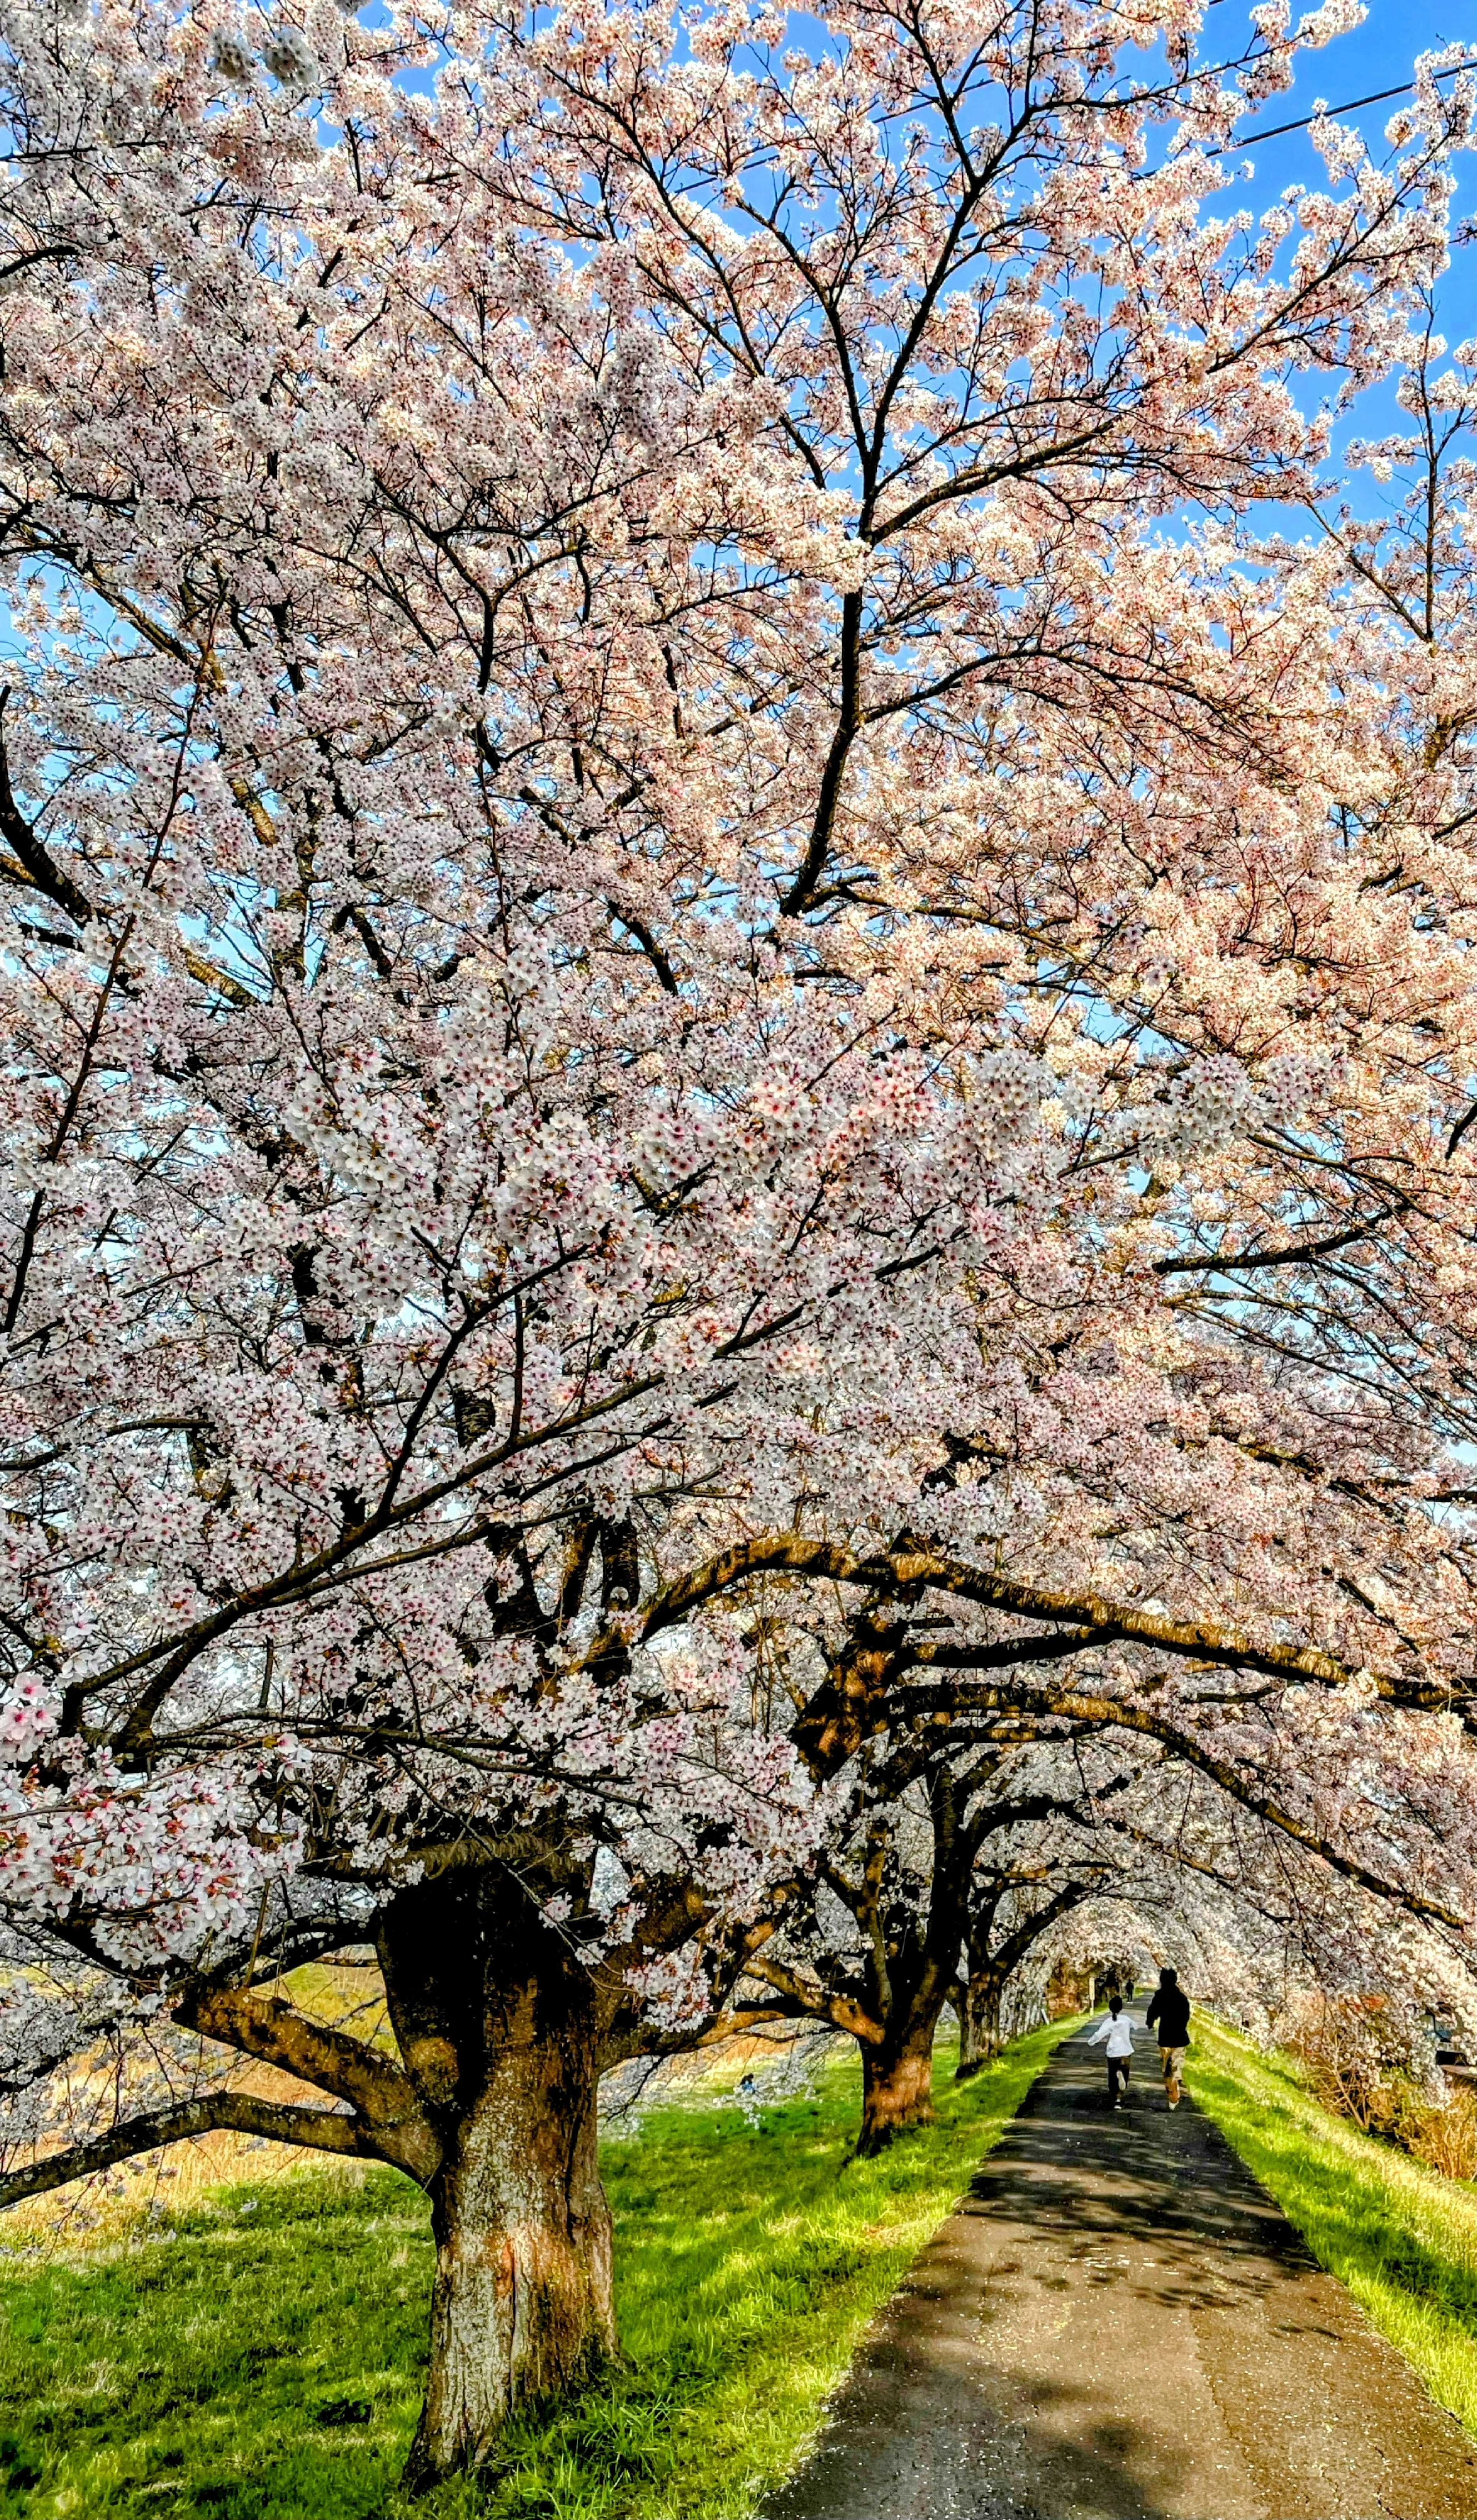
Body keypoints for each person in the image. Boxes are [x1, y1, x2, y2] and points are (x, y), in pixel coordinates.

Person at [1146, 1967, 1191, 2108]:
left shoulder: (1160, 1996)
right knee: (1177, 2063)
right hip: (1180, 2038)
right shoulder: (1182, 1998)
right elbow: (1186, 2016)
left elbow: (1153, 2011)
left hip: (1165, 2036)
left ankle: (1171, 2086)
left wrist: (1150, 2022)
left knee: (1166, 2065)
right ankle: (1175, 2082)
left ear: (1162, 1981)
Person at [1087, 1993, 1134, 2108]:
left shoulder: (1108, 2021)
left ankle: (1116, 2099)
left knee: (1112, 2077)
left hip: (1113, 2052)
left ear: (1110, 2008)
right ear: (1121, 2008)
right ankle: (1121, 2092)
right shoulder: (1126, 2020)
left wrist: (1091, 2042)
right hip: (1126, 2052)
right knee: (1125, 2074)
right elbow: (1135, 2026)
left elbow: (1099, 2034)